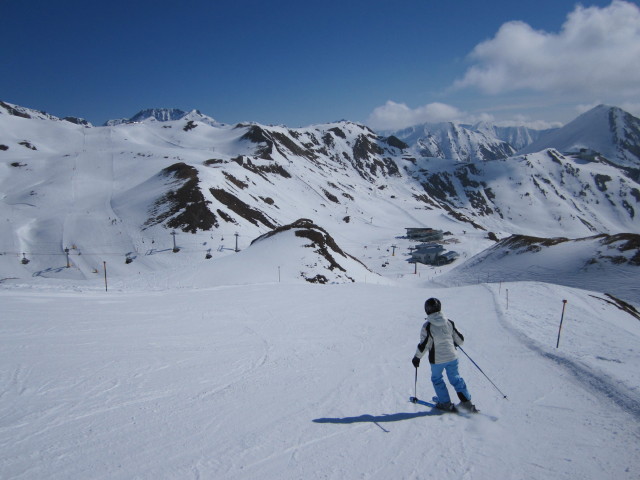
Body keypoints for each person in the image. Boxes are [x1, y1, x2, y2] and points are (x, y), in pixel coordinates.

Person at [411, 297, 477, 412]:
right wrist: (454, 342)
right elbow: (460, 340)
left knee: (437, 379)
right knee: (455, 378)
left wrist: (417, 358)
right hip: (452, 357)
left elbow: (424, 345)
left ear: (427, 310)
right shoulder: (449, 322)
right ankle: (467, 403)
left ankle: (445, 403)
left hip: (437, 360)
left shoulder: (427, 326)